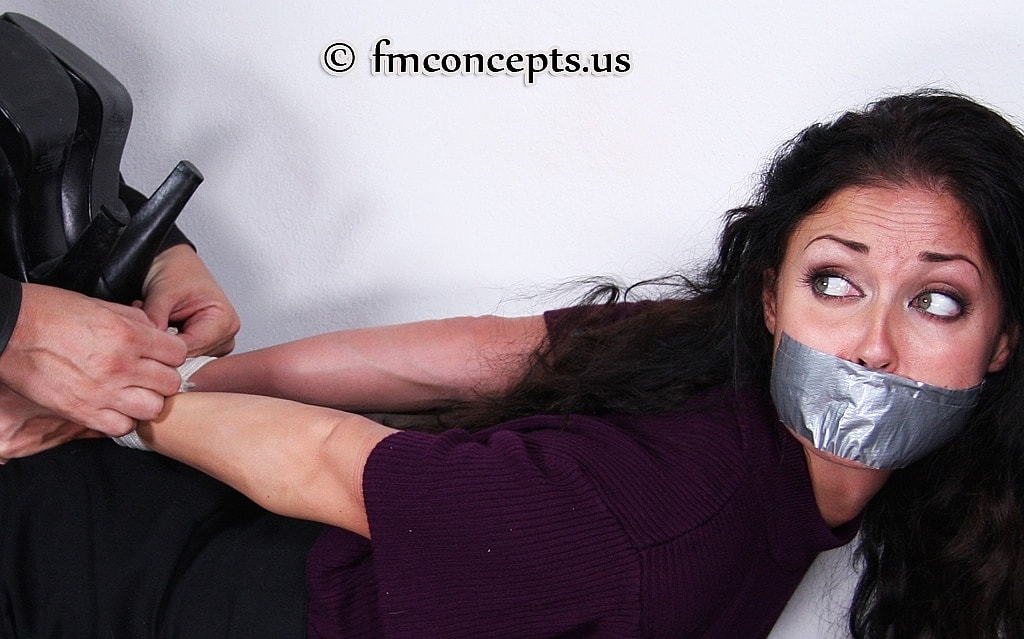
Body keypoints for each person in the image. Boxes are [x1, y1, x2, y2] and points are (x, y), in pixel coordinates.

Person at [5, 89, 1024, 638]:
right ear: (772, 299)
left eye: (938, 299)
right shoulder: (653, 519)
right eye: (835, 283)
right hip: (100, 579)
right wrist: (112, 392)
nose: (873, 344)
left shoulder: (710, 361)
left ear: (1004, 338)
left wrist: (148, 385)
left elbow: (475, 356)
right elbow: (330, 461)